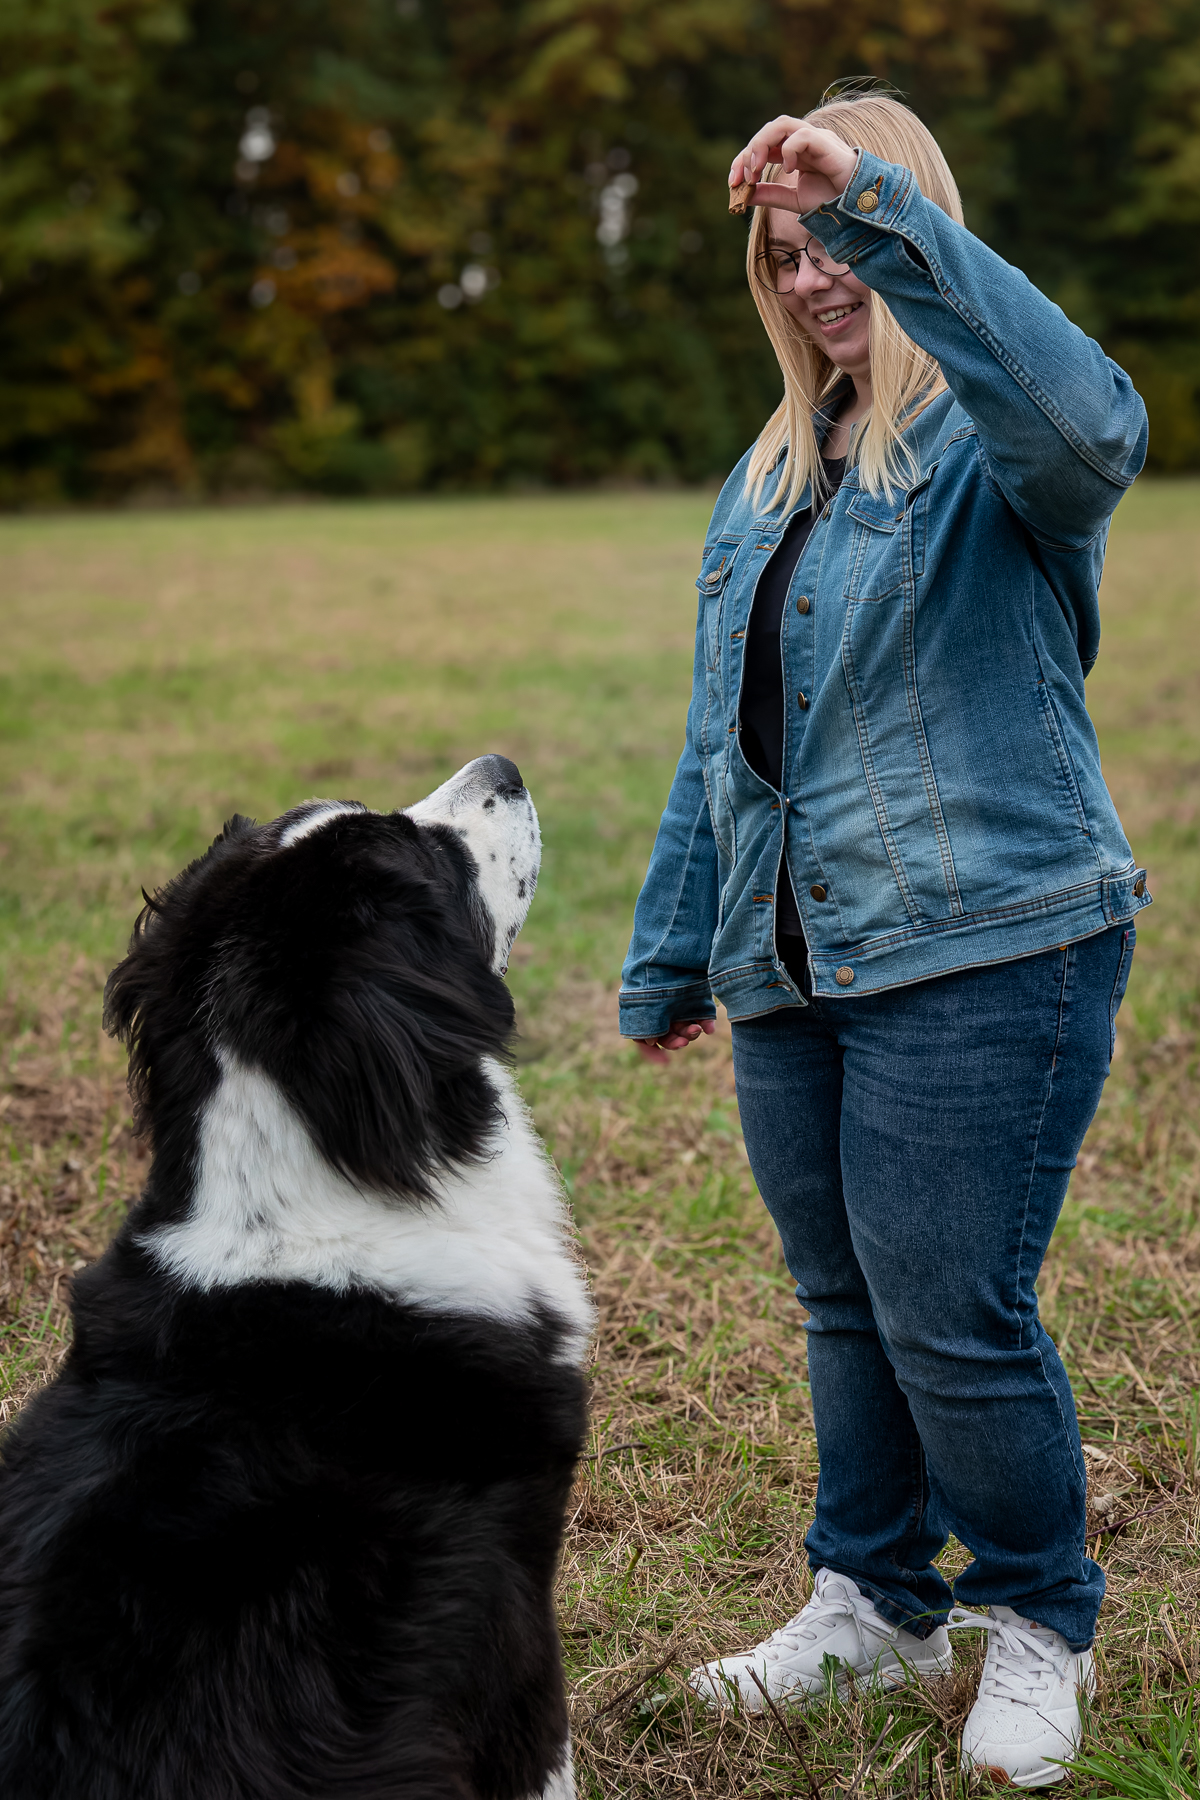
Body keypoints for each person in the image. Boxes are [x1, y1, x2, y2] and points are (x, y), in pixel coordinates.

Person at [618, 88, 1149, 1787]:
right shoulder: (766, 477)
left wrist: (879, 214)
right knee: (843, 1303)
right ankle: (870, 1601)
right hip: (794, 966)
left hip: (984, 945)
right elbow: (723, 744)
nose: (812, 276)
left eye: (838, 238)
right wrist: (674, 951)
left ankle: (1037, 1619)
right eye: (787, 253)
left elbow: (1095, 428)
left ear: (909, 233)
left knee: (949, 1308)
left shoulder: (999, 457)